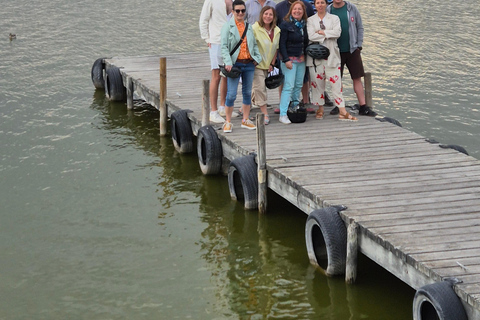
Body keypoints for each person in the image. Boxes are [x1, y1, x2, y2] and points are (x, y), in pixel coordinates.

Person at [307, 0, 357, 121]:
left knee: (336, 83)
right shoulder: (310, 20)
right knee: (317, 83)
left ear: (326, 4)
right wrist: (328, 34)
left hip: (332, 55)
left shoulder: (334, 18)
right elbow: (311, 36)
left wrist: (321, 32)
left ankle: (342, 110)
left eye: (322, 2)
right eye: (317, 3)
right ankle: (320, 108)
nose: (320, 5)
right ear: (314, 5)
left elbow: (337, 33)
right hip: (315, 56)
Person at [327, 0, 377, 116]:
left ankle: (363, 106)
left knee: (357, 77)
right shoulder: (329, 10)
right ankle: (338, 105)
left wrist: (359, 45)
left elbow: (360, 27)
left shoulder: (352, 8)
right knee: (336, 79)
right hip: (335, 51)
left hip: (352, 50)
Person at [221, 0, 262, 133]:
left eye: (242, 11)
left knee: (247, 93)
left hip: (248, 63)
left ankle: (245, 119)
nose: (240, 13)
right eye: (237, 11)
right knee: (231, 94)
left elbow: (254, 45)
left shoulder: (249, 26)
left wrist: (257, 58)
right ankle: (227, 121)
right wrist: (228, 62)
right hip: (235, 64)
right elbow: (224, 47)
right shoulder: (227, 27)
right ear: (232, 12)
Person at [275, 0, 315, 114]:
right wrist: (286, 59)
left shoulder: (305, 25)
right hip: (289, 59)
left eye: (300, 9)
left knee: (298, 85)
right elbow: (281, 43)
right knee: (288, 86)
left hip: (301, 59)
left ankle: (294, 108)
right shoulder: (285, 24)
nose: (297, 11)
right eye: (295, 9)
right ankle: (283, 113)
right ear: (291, 11)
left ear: (303, 11)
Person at [199, 0, 234, 123]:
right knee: (216, 75)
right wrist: (206, 38)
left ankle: (222, 107)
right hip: (216, 41)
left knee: (226, 74)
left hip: (231, 41)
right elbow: (203, 19)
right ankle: (213, 111)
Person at [251, 6, 280, 125]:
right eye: (266, 14)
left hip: (268, 65)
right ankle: (265, 113)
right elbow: (250, 45)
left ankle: (245, 106)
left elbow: (275, 49)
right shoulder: (254, 28)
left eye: (270, 14)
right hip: (256, 64)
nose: (268, 16)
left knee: (256, 88)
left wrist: (272, 64)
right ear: (262, 14)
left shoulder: (277, 30)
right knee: (260, 88)